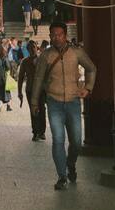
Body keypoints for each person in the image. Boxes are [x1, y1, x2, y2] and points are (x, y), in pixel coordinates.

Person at [31, 21, 97, 190]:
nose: (56, 38)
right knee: (58, 140)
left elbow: (91, 68)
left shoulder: (76, 52)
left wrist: (88, 88)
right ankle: (62, 176)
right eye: (53, 35)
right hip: (54, 102)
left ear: (65, 35)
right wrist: (34, 102)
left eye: (59, 35)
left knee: (76, 142)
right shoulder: (46, 56)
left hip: (73, 102)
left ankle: (71, 163)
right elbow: (38, 79)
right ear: (50, 36)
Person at [17, 40, 45, 141]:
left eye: (33, 47)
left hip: (41, 89)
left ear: (37, 48)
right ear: (27, 50)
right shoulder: (25, 61)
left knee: (42, 109)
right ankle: (35, 132)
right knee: (34, 110)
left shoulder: (42, 59)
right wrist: (19, 92)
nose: (32, 49)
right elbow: (20, 77)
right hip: (30, 89)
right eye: (30, 48)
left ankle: (42, 131)